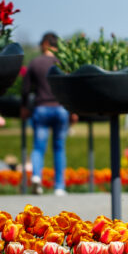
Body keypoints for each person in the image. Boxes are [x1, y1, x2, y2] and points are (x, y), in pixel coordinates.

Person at [22, 32, 75, 196]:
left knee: (38, 147)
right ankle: (59, 186)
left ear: (44, 44)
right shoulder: (61, 62)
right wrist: (73, 110)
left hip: (41, 108)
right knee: (59, 148)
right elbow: (69, 88)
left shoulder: (35, 63)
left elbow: (25, 89)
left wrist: (24, 107)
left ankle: (37, 176)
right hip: (60, 108)